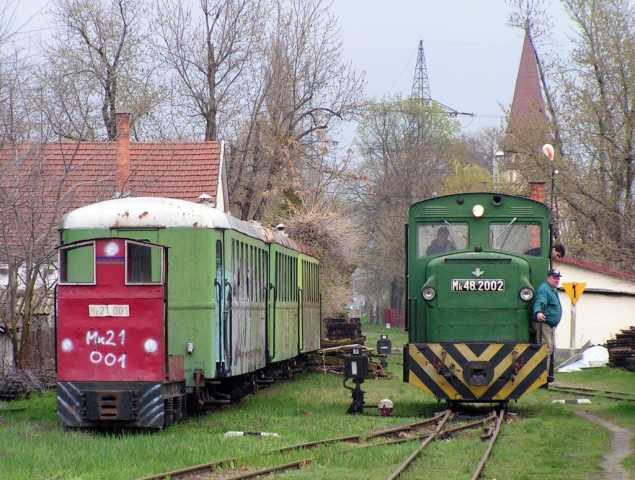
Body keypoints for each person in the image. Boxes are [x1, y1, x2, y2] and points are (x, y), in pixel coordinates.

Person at [533, 269, 563, 382]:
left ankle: (546, 375)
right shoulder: (544, 289)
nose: (557, 280)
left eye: (558, 277)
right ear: (548, 278)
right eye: (555, 277)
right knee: (546, 349)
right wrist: (538, 312)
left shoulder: (552, 290)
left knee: (550, 349)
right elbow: (540, 301)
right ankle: (541, 377)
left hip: (550, 326)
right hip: (544, 324)